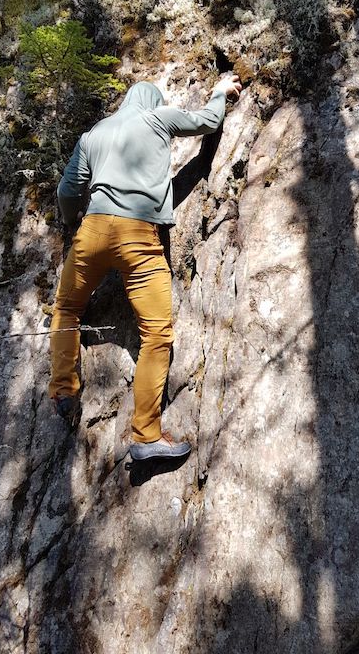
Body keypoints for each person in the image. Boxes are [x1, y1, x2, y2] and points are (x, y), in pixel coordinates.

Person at [49, 75, 242, 460]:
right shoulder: (158, 117)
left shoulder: (92, 135)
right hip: (138, 235)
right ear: (152, 100)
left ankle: (64, 390)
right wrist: (220, 93)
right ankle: (146, 435)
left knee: (67, 309)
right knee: (156, 334)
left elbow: (67, 192)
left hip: (91, 233)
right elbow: (206, 121)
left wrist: (72, 221)